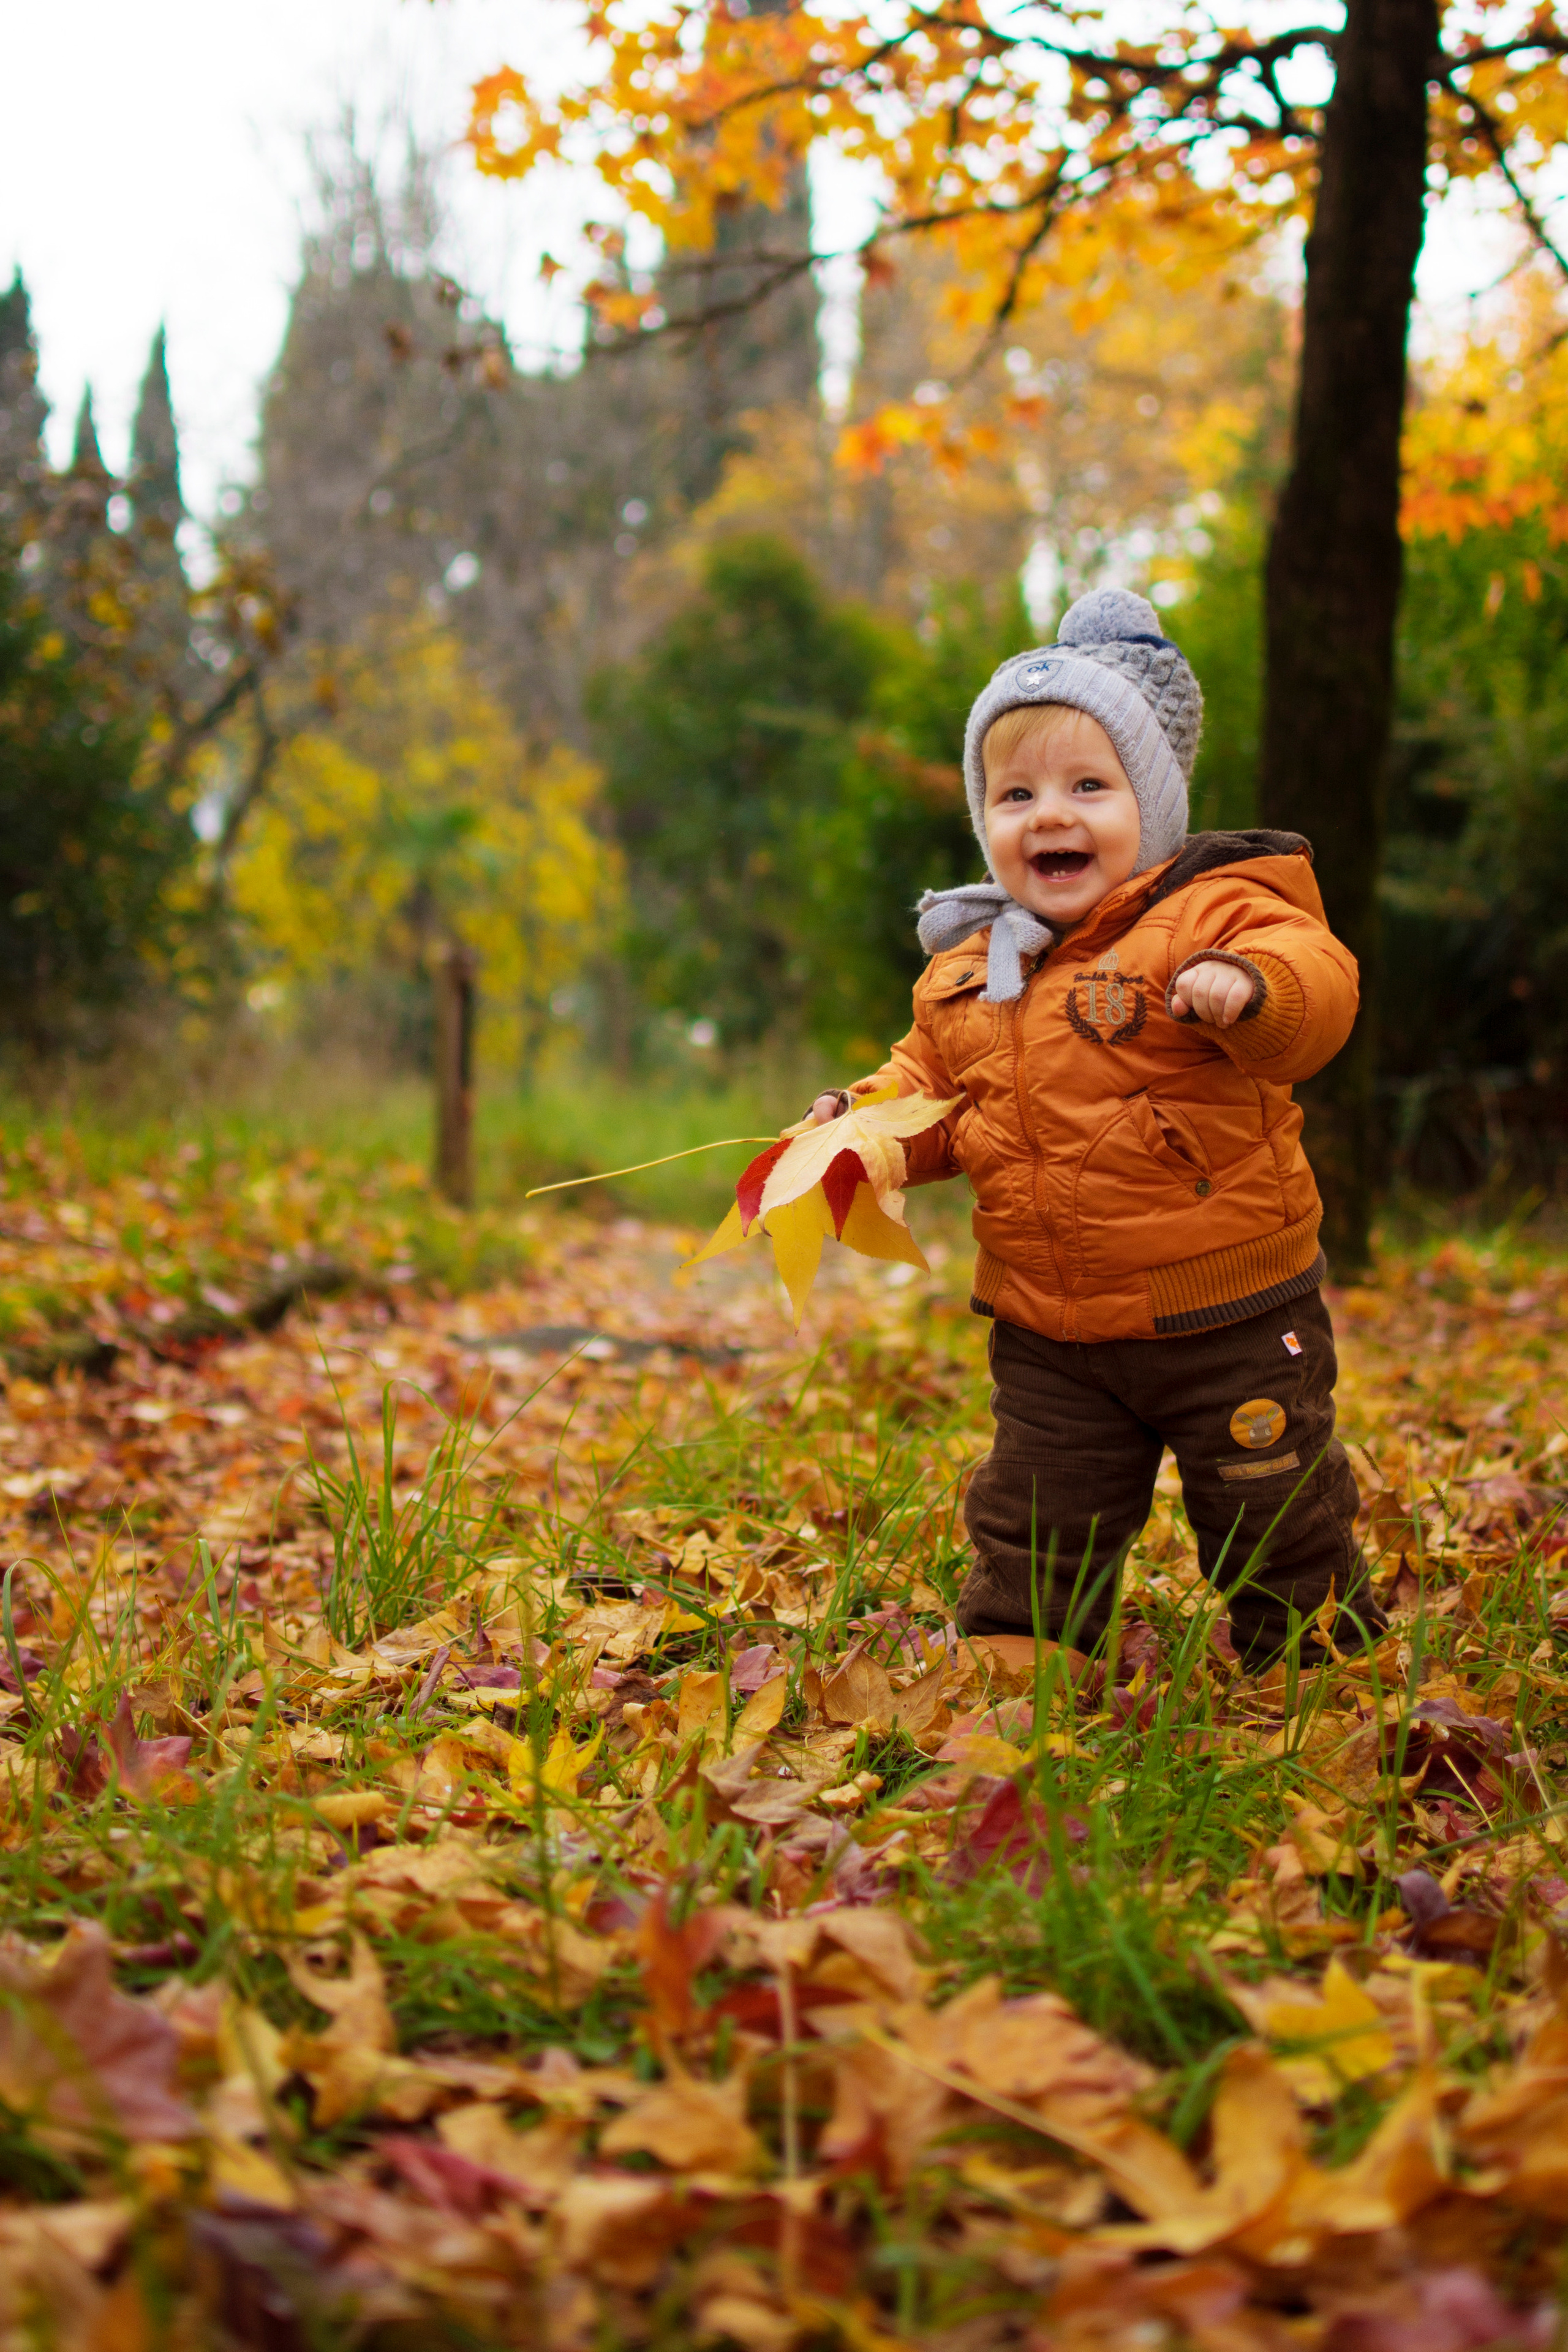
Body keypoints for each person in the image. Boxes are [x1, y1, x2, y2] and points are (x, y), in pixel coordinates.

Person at [809, 586, 1382, 1668]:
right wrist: (858, 1128)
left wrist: (1249, 989)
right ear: (987, 823)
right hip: (1053, 1331)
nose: (1050, 814)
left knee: (1274, 1507)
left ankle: (1315, 1662)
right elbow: (930, 1088)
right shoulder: (974, 970)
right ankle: (1024, 1662)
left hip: (1230, 1312)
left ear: (1150, 806)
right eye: (1015, 792)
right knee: (1033, 1517)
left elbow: (1321, 984)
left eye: (1088, 785)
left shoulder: (1215, 915)